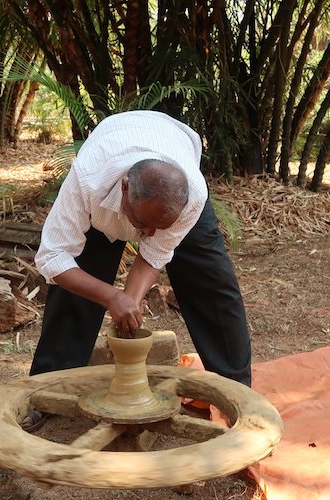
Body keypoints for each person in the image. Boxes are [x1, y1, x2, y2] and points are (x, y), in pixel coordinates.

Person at [21, 110, 252, 431]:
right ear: (125, 188)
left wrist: (129, 301)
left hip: (167, 177)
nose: (148, 235)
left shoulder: (191, 197)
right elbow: (53, 257)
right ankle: (48, 389)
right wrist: (111, 297)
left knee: (212, 286)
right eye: (143, 224)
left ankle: (238, 392)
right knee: (75, 290)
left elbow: (155, 253)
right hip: (104, 193)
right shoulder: (88, 178)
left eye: (161, 226)